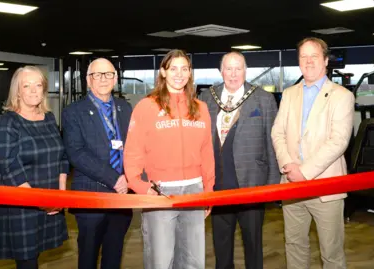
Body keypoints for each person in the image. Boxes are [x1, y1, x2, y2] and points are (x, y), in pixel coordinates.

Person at [124, 49, 215, 269]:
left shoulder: (200, 108)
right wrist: (140, 186)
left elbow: (206, 152)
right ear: (163, 72)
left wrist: (208, 190)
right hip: (160, 193)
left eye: (184, 68)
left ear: (190, 73)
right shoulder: (146, 106)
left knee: (193, 261)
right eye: (173, 68)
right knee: (161, 261)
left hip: (194, 191)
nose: (179, 74)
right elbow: (133, 151)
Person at [271, 37, 354, 269]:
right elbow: (277, 133)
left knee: (332, 253)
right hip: (291, 184)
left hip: (326, 186)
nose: (308, 61)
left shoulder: (342, 96)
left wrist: (304, 172)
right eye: (303, 57)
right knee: (294, 246)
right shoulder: (289, 93)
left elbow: (338, 141)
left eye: (314, 56)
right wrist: (288, 166)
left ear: (325, 60)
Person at [199, 51, 280, 269]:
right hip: (218, 187)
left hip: (252, 186)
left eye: (238, 68)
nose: (233, 74)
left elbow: (272, 144)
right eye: (228, 68)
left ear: (245, 71)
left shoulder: (263, 99)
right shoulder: (207, 98)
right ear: (221, 71)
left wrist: (272, 185)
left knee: (253, 245)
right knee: (221, 245)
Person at [0, 66, 69, 269]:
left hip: (50, 199)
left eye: (38, 85)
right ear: (17, 91)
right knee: (27, 262)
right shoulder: (6, 122)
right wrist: (42, 202)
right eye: (27, 85)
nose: (34, 90)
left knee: (37, 255)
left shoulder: (49, 118)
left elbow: (62, 157)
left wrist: (61, 194)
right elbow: (10, 167)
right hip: (22, 203)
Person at [62, 58, 132, 269]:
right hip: (91, 196)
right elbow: (77, 153)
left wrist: (130, 177)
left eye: (108, 74)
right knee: (88, 256)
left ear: (116, 78)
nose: (103, 79)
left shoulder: (124, 107)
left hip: (121, 198)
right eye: (97, 75)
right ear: (88, 80)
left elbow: (135, 147)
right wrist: (115, 179)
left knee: (113, 256)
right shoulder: (73, 112)